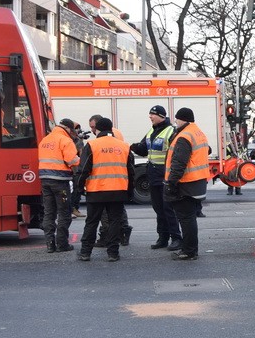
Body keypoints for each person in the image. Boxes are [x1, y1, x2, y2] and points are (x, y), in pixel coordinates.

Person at [75, 117, 134, 262]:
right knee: (115, 222)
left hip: (96, 190)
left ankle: (85, 252)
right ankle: (113, 253)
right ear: (111, 129)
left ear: (98, 129)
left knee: (92, 222)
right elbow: (131, 172)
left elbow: (83, 170)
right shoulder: (124, 146)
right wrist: (129, 192)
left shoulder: (92, 145)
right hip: (118, 191)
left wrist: (79, 187)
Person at [130, 105, 183, 252]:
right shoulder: (152, 131)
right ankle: (163, 238)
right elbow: (144, 149)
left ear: (161, 115)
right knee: (158, 209)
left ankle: (176, 238)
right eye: (150, 115)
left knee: (168, 208)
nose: (150, 117)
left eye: (152, 115)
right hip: (153, 176)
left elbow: (176, 154)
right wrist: (133, 147)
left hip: (165, 176)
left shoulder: (170, 131)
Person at [164, 107, 211, 260]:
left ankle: (189, 251)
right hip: (197, 181)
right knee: (189, 218)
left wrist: (171, 183)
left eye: (177, 119)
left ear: (182, 119)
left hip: (186, 183)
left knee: (186, 219)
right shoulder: (198, 132)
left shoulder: (184, 136)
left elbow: (179, 162)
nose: (175, 122)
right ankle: (190, 249)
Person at [37, 118, 80, 253]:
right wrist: (81, 161)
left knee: (49, 213)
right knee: (64, 213)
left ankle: (50, 244)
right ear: (68, 129)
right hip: (60, 181)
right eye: (74, 130)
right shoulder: (65, 140)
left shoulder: (45, 140)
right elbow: (72, 161)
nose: (75, 133)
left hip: (45, 180)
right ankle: (62, 244)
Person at [89, 114, 132, 245]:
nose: (92, 130)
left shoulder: (104, 139)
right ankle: (122, 233)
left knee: (105, 215)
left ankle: (108, 236)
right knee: (118, 212)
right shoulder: (115, 134)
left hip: (105, 182)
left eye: (93, 127)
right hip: (118, 181)